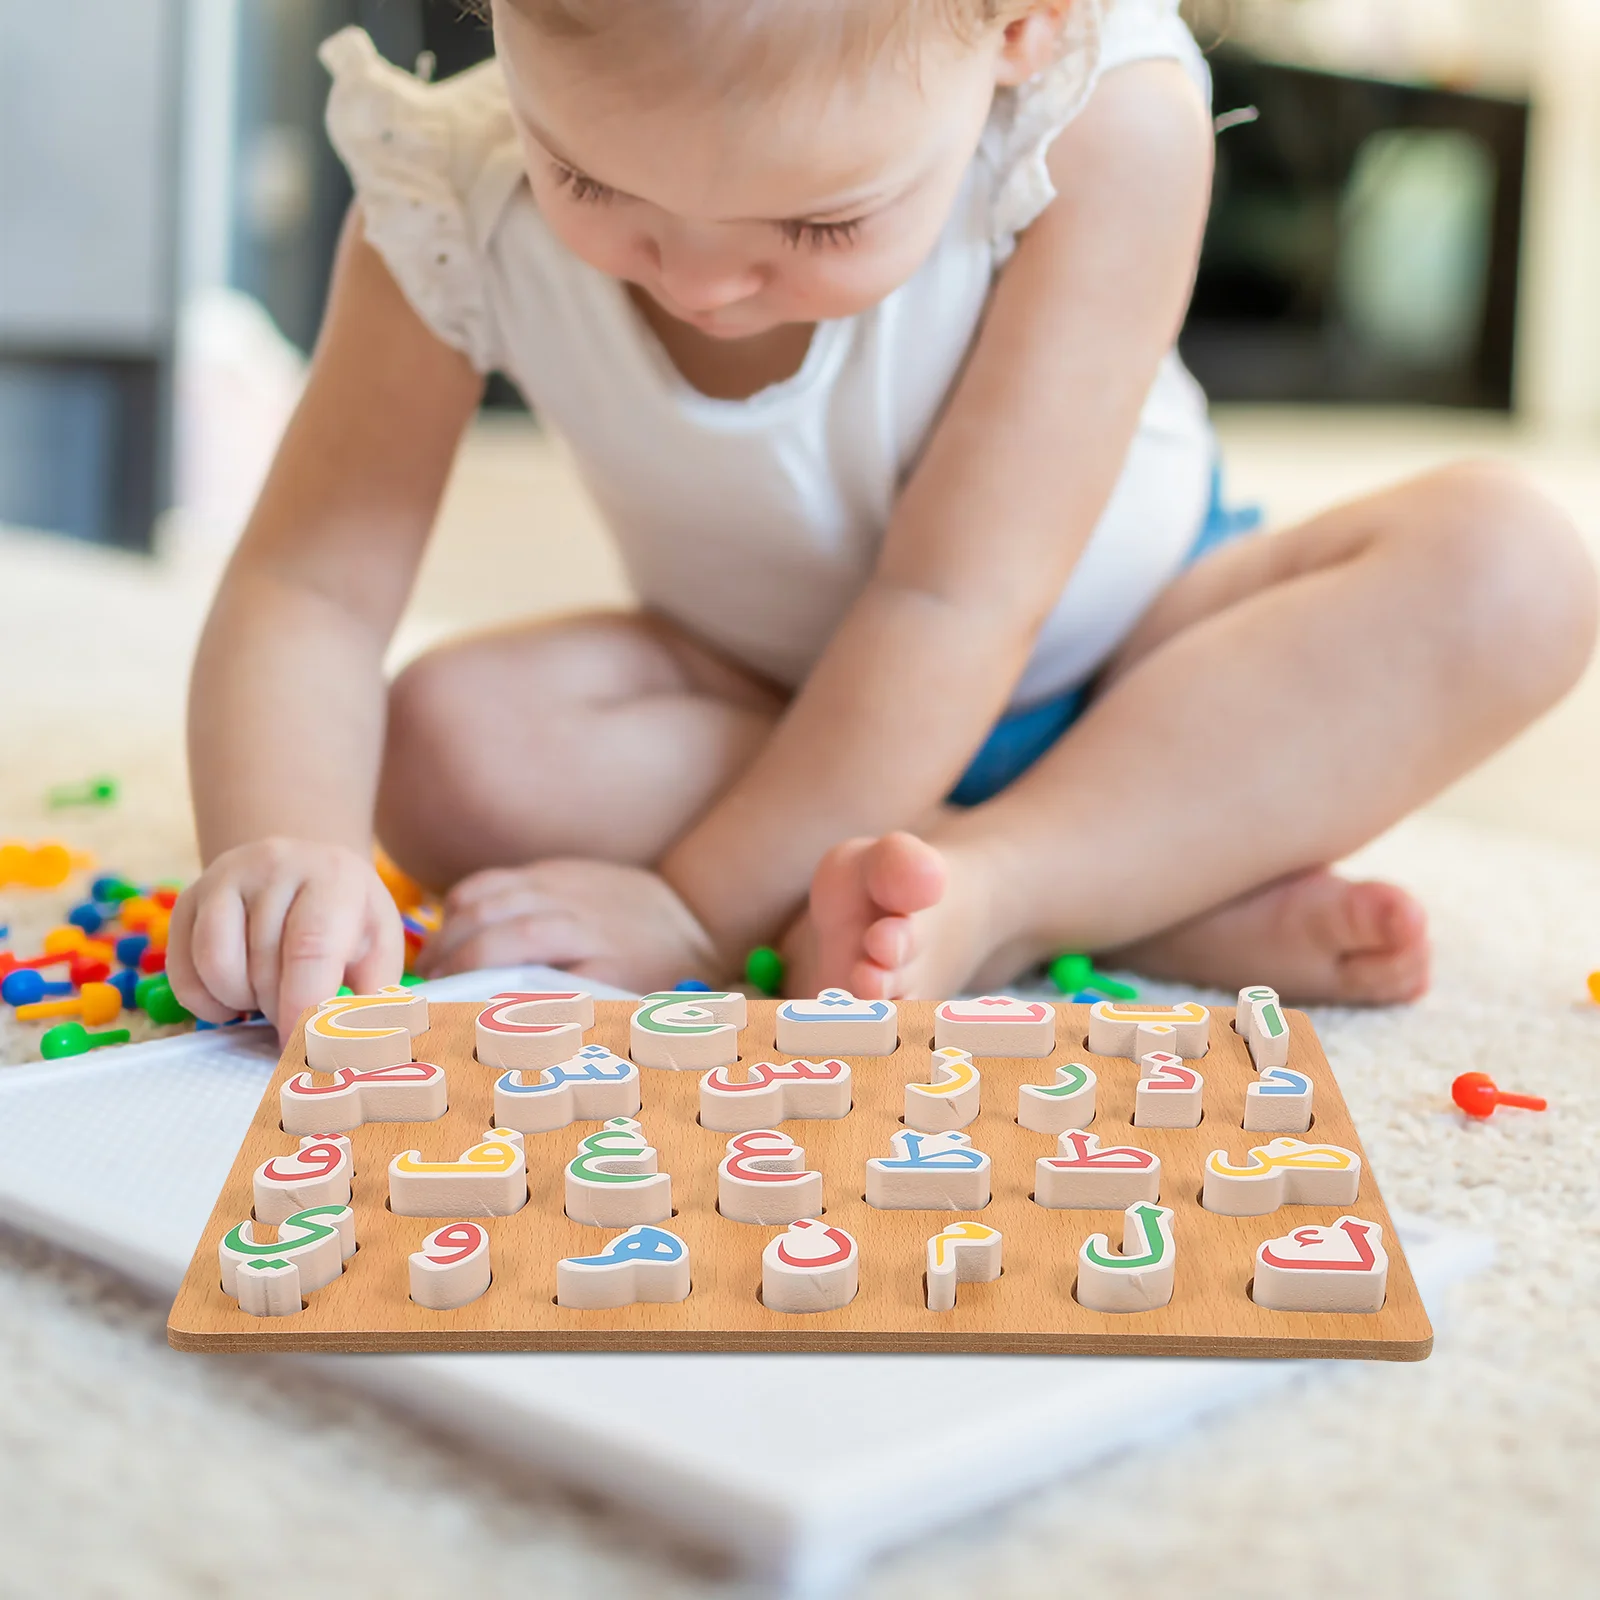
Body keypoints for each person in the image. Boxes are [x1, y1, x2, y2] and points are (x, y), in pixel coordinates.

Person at [169, 0, 1597, 1040]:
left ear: (1021, 28)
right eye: (593, 183)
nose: (704, 283)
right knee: (442, 747)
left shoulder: (1107, 126)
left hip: (1146, 659)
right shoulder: (448, 194)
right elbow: (311, 584)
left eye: (820, 225)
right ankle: (1147, 883)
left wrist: (690, 909)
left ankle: (1008, 883)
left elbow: (956, 600)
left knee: (1516, 568)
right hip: (762, 703)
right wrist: (282, 840)